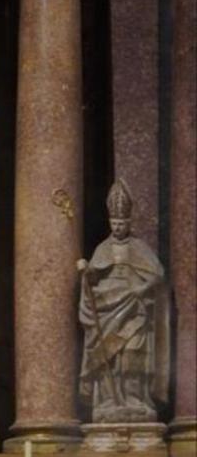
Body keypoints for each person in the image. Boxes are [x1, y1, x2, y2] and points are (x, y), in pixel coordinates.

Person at [77, 180, 170, 423]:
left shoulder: (139, 247)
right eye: (114, 223)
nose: (117, 228)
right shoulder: (102, 248)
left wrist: (141, 288)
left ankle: (135, 399)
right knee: (108, 356)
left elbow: (158, 273)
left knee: (132, 353)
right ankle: (108, 401)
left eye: (122, 223)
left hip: (134, 308)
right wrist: (86, 270)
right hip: (108, 307)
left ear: (129, 223)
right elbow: (94, 277)